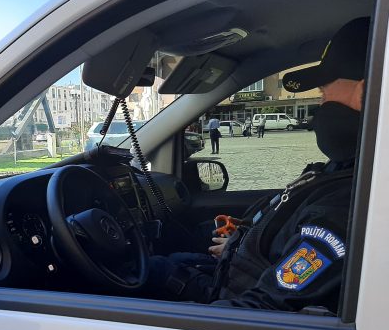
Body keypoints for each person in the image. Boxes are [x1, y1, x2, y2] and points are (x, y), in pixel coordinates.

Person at [146, 17, 369, 312]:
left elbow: (265, 309)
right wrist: (239, 243)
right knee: (169, 261)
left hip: (238, 302)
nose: (320, 104)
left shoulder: (343, 209)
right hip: (237, 275)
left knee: (153, 271)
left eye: (324, 93)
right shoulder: (347, 172)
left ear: (366, 94)